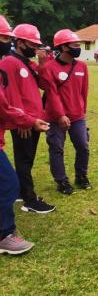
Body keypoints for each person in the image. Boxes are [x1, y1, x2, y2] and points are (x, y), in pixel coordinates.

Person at [0, 16, 49, 255]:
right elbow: (9, 96)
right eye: (32, 44)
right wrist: (22, 120)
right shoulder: (9, 61)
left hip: (30, 120)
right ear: (20, 42)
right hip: (24, 122)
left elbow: (45, 84)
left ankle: (23, 195)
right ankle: (27, 200)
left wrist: (42, 61)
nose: (35, 47)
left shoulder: (27, 63)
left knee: (25, 162)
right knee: (18, 168)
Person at [39, 29, 92, 194]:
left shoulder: (82, 66)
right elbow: (52, 94)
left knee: (83, 146)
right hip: (55, 117)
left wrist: (82, 114)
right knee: (57, 149)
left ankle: (81, 176)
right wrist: (61, 114)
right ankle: (61, 181)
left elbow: (84, 92)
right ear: (63, 47)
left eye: (79, 44)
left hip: (77, 117)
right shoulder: (50, 67)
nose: (78, 47)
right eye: (75, 45)